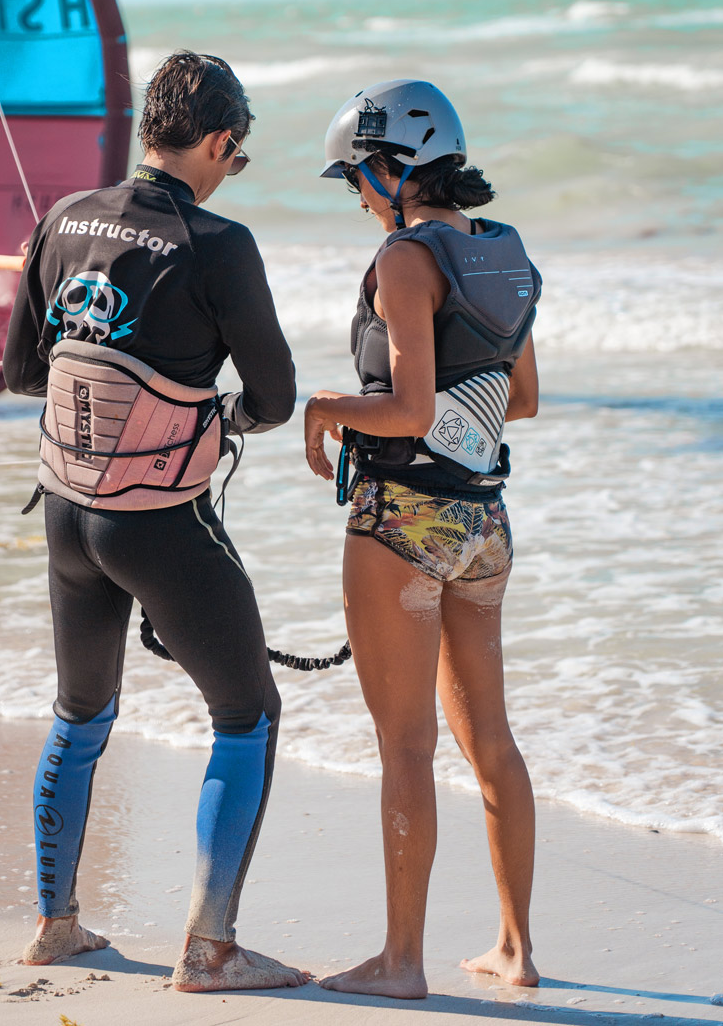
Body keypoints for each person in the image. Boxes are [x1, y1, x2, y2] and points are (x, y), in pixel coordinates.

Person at [3, 51, 308, 993]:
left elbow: (22, 375)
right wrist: (215, 415)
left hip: (66, 517)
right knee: (248, 714)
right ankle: (210, 950)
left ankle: (56, 923)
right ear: (219, 141)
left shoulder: (58, 220)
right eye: (238, 155)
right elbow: (276, 395)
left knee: (80, 713)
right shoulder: (221, 245)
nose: (232, 170)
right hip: (159, 524)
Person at [304, 79, 541, 999]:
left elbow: (404, 410)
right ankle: (517, 950)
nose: (359, 197)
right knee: (495, 745)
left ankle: (402, 964)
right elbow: (520, 400)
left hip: (403, 523)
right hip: (484, 524)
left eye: (359, 179)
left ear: (394, 167)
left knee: (406, 746)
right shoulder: (507, 251)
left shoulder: (406, 258)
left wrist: (325, 407)